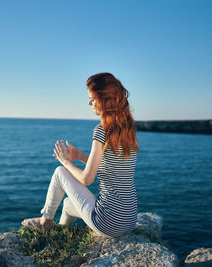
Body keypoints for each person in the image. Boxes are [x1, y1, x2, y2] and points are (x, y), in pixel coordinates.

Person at [21, 72, 139, 237]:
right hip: (128, 220)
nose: (89, 102)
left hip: (108, 223)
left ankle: (45, 221)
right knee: (68, 204)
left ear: (105, 100)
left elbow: (86, 179)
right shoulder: (128, 131)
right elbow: (110, 168)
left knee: (60, 172)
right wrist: (79, 155)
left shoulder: (101, 130)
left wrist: (66, 162)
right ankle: (59, 232)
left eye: (92, 98)